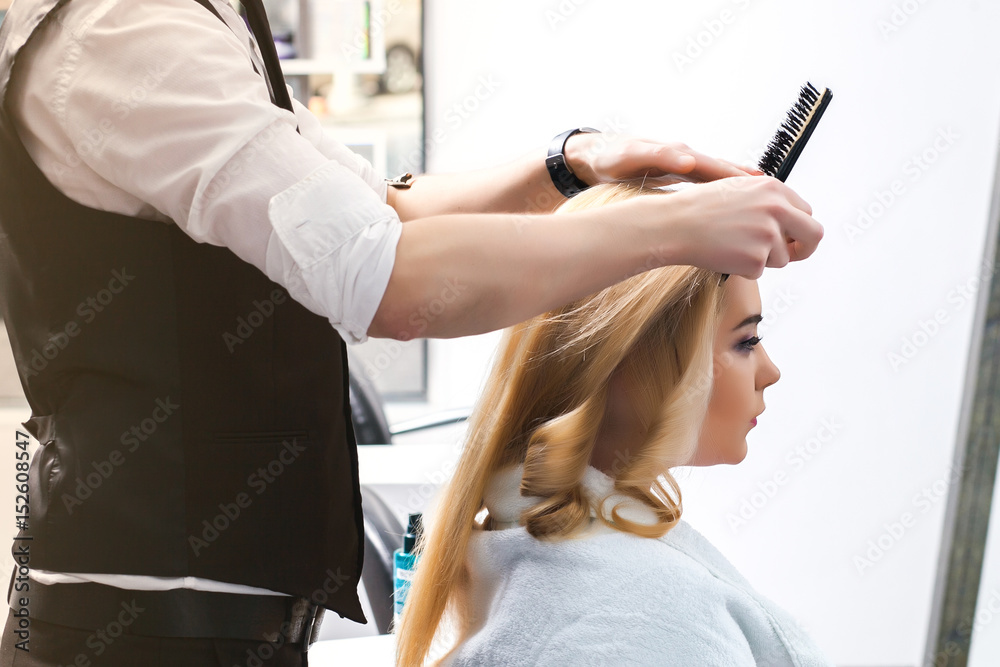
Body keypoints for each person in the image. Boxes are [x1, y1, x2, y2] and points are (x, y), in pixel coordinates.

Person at [0, 0, 822, 664]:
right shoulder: (123, 30)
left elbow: (376, 208)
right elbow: (383, 275)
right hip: (139, 634)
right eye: (746, 338)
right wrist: (676, 231)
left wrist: (573, 163)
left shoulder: (205, 22)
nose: (771, 369)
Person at [396, 182, 835, 666]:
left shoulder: (522, 550)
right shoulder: (647, 615)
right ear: (633, 361)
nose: (770, 373)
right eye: (745, 342)